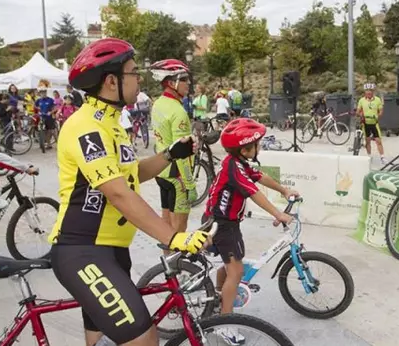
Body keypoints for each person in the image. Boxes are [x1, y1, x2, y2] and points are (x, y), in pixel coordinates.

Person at [47, 38, 208, 346]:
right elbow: (118, 193)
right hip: (83, 250)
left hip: (112, 250)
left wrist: (170, 154)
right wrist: (172, 237)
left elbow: (132, 175)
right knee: (144, 339)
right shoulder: (86, 127)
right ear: (111, 81)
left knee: (102, 339)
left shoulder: (112, 124)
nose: (140, 79)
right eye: (134, 72)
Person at [202, 118, 296, 344]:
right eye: (257, 144)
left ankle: (218, 298)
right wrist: (278, 214)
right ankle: (224, 325)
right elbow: (254, 192)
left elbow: (260, 177)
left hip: (222, 221)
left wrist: (284, 190)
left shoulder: (237, 163)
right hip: (222, 224)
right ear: (245, 149)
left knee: (228, 265)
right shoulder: (234, 168)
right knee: (236, 272)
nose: (259, 147)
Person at [150, 59, 196, 236]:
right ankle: (176, 263)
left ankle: (167, 262)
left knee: (166, 225)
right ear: (171, 83)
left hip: (161, 172)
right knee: (179, 230)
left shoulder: (158, 104)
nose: (188, 83)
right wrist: (190, 184)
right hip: (177, 176)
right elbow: (181, 151)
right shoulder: (178, 111)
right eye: (184, 79)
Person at [357, 83, 385, 164]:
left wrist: (378, 116)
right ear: (365, 92)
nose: (369, 92)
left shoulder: (377, 100)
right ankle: (369, 156)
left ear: (373, 92)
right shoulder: (361, 100)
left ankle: (382, 157)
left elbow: (381, 111)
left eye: (370, 91)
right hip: (365, 123)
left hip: (374, 123)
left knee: (378, 141)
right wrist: (360, 114)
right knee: (367, 141)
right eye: (367, 91)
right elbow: (358, 111)